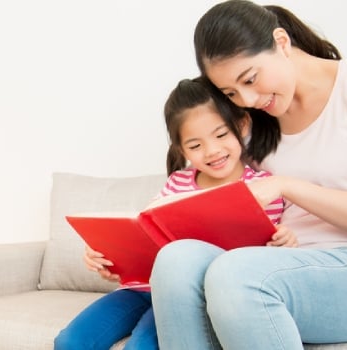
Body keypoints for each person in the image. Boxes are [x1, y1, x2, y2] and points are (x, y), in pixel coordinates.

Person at [149, 1, 347, 349]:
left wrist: (286, 186)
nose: (246, 98)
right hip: (281, 264)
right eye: (231, 93)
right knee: (176, 260)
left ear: (280, 42)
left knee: (235, 274)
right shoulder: (254, 118)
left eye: (250, 79)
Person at [55, 77, 296, 350]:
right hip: (140, 290)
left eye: (220, 135)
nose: (212, 151)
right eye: (195, 146)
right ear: (181, 149)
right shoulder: (176, 184)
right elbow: (142, 232)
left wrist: (285, 242)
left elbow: (271, 261)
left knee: (140, 347)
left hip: (186, 299)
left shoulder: (264, 188)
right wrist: (107, 257)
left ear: (241, 126)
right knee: (69, 341)